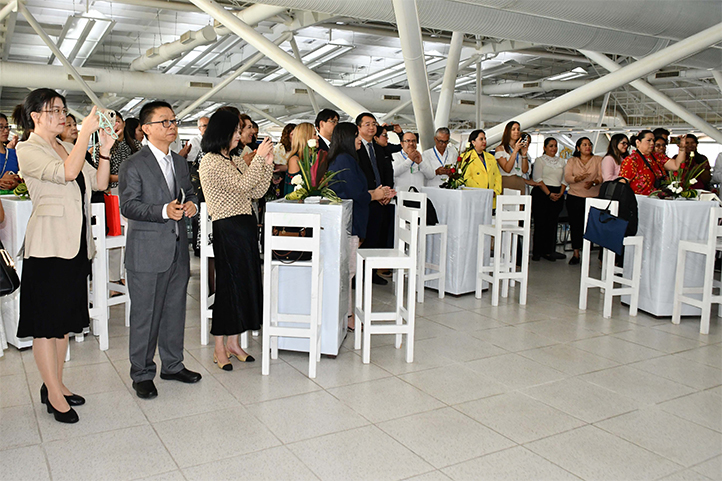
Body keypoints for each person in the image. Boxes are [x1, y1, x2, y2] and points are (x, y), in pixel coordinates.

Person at [15, 88, 112, 423]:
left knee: (62, 325)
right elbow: (67, 173)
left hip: (74, 245)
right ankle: (53, 393)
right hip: (47, 246)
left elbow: (98, 183)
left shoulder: (68, 146)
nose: (61, 116)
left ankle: (55, 384)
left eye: (62, 110)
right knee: (45, 325)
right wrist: (85, 131)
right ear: (35, 116)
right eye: (53, 110)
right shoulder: (27, 149)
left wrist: (106, 152)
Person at [119, 100, 201, 400]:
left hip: (177, 248)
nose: (172, 127)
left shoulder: (179, 162)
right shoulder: (133, 164)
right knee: (145, 314)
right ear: (146, 129)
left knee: (174, 310)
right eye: (165, 122)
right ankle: (141, 372)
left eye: (174, 121)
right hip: (147, 251)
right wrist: (163, 211)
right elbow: (127, 205)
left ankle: (173, 364)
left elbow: (189, 193)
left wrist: (191, 203)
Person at [198, 109, 274, 370]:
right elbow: (242, 186)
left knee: (244, 285)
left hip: (245, 225)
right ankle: (219, 346)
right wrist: (259, 160)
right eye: (236, 131)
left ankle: (233, 342)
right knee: (228, 288)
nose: (239, 136)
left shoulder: (234, 159)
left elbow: (257, 190)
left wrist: (267, 163)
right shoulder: (210, 161)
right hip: (228, 227)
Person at [327, 122, 390, 330]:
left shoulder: (344, 158)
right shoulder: (344, 159)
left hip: (351, 222)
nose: (359, 139)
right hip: (349, 223)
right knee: (348, 271)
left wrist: (375, 192)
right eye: (356, 136)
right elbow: (355, 195)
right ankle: (348, 317)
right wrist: (375, 194)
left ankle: (347, 315)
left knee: (348, 271)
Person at [355, 112, 395, 285]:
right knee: (363, 237)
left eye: (374, 124)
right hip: (365, 199)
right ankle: (357, 274)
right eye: (367, 124)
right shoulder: (355, 149)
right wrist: (373, 194)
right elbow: (358, 177)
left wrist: (386, 193)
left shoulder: (379, 148)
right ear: (358, 127)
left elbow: (388, 173)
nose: (372, 127)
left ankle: (371, 273)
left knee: (376, 236)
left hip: (381, 200)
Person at [564, 137, 603, 265]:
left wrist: (594, 182)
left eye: (589, 144)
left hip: (593, 197)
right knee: (576, 225)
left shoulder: (598, 160)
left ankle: (589, 251)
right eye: (584, 144)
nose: (588, 147)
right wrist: (577, 178)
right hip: (575, 197)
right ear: (578, 148)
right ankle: (576, 253)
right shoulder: (572, 161)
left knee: (591, 226)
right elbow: (567, 177)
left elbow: (601, 176)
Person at [531, 137, 567, 261]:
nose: (554, 148)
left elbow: (564, 179)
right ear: (545, 148)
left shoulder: (562, 161)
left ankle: (549, 251)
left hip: (557, 193)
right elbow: (537, 179)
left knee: (552, 224)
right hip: (542, 193)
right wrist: (548, 193)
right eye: (551, 146)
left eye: (555, 146)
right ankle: (537, 251)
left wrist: (560, 193)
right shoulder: (540, 160)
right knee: (540, 223)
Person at [620, 130, 687, 196]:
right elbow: (622, 183)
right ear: (638, 142)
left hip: (659, 199)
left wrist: (682, 149)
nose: (652, 143)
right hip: (640, 201)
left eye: (653, 140)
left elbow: (677, 166)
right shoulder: (632, 160)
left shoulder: (658, 156)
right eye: (649, 140)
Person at [461, 129, 502, 196]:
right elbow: (466, 178)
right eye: (481, 139)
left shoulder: (491, 157)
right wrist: (481, 191)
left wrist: (496, 191)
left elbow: (497, 176)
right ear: (473, 142)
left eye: (485, 139)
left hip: (491, 196)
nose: (484, 141)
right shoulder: (466, 157)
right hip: (474, 195)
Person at [495, 120, 530, 192]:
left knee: (520, 202)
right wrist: (515, 151)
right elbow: (507, 169)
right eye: (513, 129)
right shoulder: (500, 148)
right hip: (507, 181)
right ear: (508, 132)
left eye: (518, 129)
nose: (516, 132)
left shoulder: (520, 148)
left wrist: (524, 155)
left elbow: (525, 170)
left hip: (520, 181)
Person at [285, 122, 317, 194]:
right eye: (314, 134)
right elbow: (293, 192)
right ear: (306, 137)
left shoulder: (313, 157)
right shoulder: (295, 160)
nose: (317, 137)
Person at [271, 122, 295, 198]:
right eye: (293, 134)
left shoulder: (296, 148)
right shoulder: (280, 147)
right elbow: (277, 166)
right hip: (282, 178)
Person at [0, 113, 21, 190]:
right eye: (1, 127)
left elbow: (24, 179)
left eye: (6, 127)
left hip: (11, 200)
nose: (6, 131)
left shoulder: (13, 154)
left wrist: (16, 183)